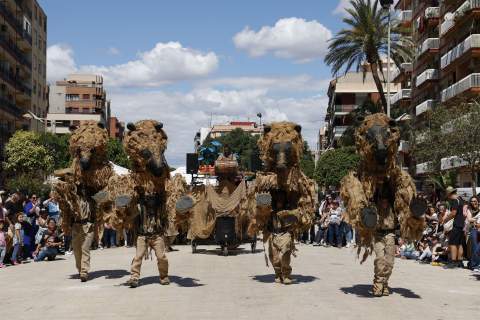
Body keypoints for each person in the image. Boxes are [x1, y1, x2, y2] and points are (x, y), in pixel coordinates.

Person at [126, 190, 170, 288]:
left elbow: (169, 212)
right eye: (148, 198)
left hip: (157, 236)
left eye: (153, 198)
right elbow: (129, 214)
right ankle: (134, 277)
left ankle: (164, 277)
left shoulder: (161, 207)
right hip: (142, 236)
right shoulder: (139, 207)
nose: (151, 200)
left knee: (161, 257)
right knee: (138, 256)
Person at [443, 187, 467, 268]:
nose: (448, 198)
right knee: (459, 243)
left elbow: (453, 213)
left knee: (452, 243)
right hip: (462, 224)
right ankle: (460, 262)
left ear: (449, 194)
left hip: (457, 224)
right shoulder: (461, 199)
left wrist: (445, 220)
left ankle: (453, 262)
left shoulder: (455, 200)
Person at [466, 196, 480, 271]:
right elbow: (469, 219)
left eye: (475, 201)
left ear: (478, 201)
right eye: (472, 201)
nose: (473, 202)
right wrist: (477, 219)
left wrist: (474, 220)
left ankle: (471, 263)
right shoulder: (469, 209)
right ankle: (474, 265)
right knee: (475, 247)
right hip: (474, 229)